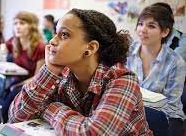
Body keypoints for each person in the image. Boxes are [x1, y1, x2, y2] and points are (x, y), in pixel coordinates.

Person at [8, 9, 152, 135]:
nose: (52, 41)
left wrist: (49, 107)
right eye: (55, 34)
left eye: (64, 35)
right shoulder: (62, 73)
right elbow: (16, 117)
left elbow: (92, 133)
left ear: (90, 48)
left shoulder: (122, 79)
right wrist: (49, 71)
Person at [126, 5, 186, 136]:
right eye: (140, 24)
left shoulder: (175, 62)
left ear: (164, 32)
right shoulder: (127, 52)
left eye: (151, 26)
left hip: (166, 118)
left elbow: (171, 105)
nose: (142, 30)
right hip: (130, 112)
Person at [0, 11, 45, 123]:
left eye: (22, 23)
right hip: (17, 81)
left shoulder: (40, 47)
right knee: (2, 94)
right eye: (15, 23)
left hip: (33, 85)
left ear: (32, 26)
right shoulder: (14, 42)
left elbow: (37, 77)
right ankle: (1, 122)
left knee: (10, 97)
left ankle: (5, 124)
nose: (17, 27)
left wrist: (17, 86)